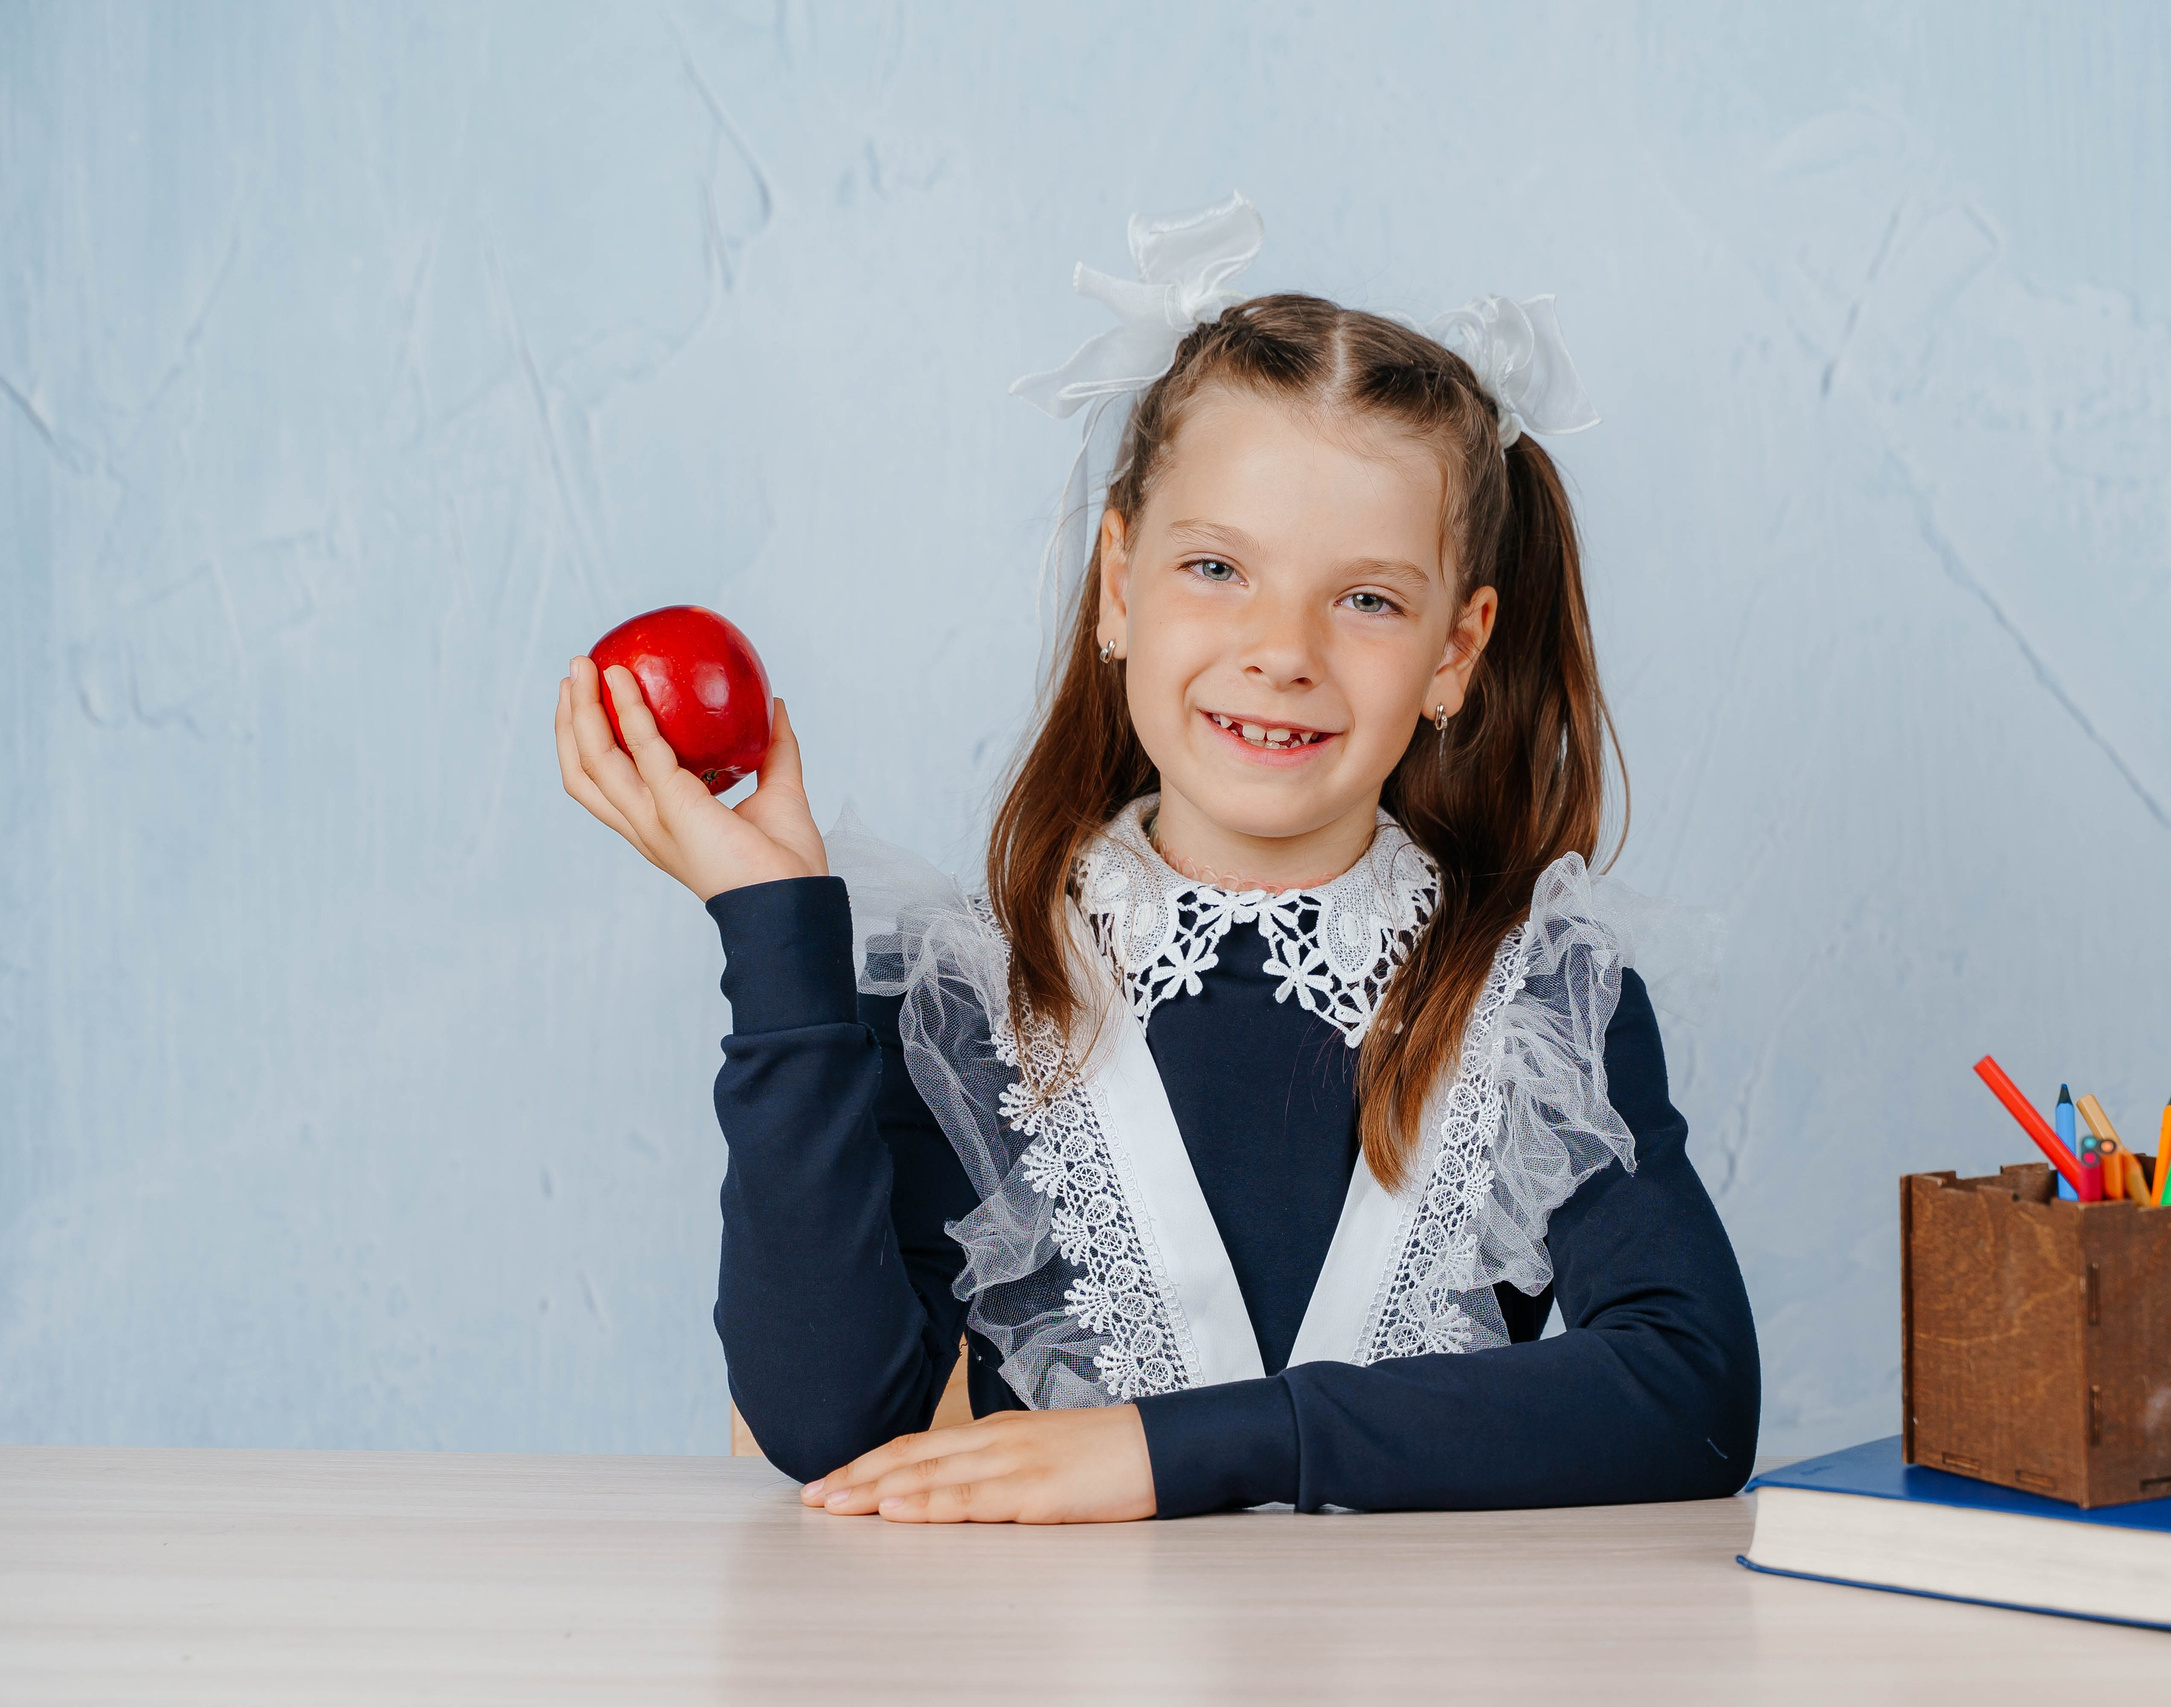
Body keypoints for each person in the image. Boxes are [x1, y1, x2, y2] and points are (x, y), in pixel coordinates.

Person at [554, 198, 1758, 1524]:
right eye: (1215, 567)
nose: (1282, 646)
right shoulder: (968, 998)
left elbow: (1691, 1393)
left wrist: (1166, 1450)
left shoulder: (1536, 1004)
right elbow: (836, 1429)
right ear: (1118, 583)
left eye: (1367, 598)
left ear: (1455, 653)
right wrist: (773, 928)